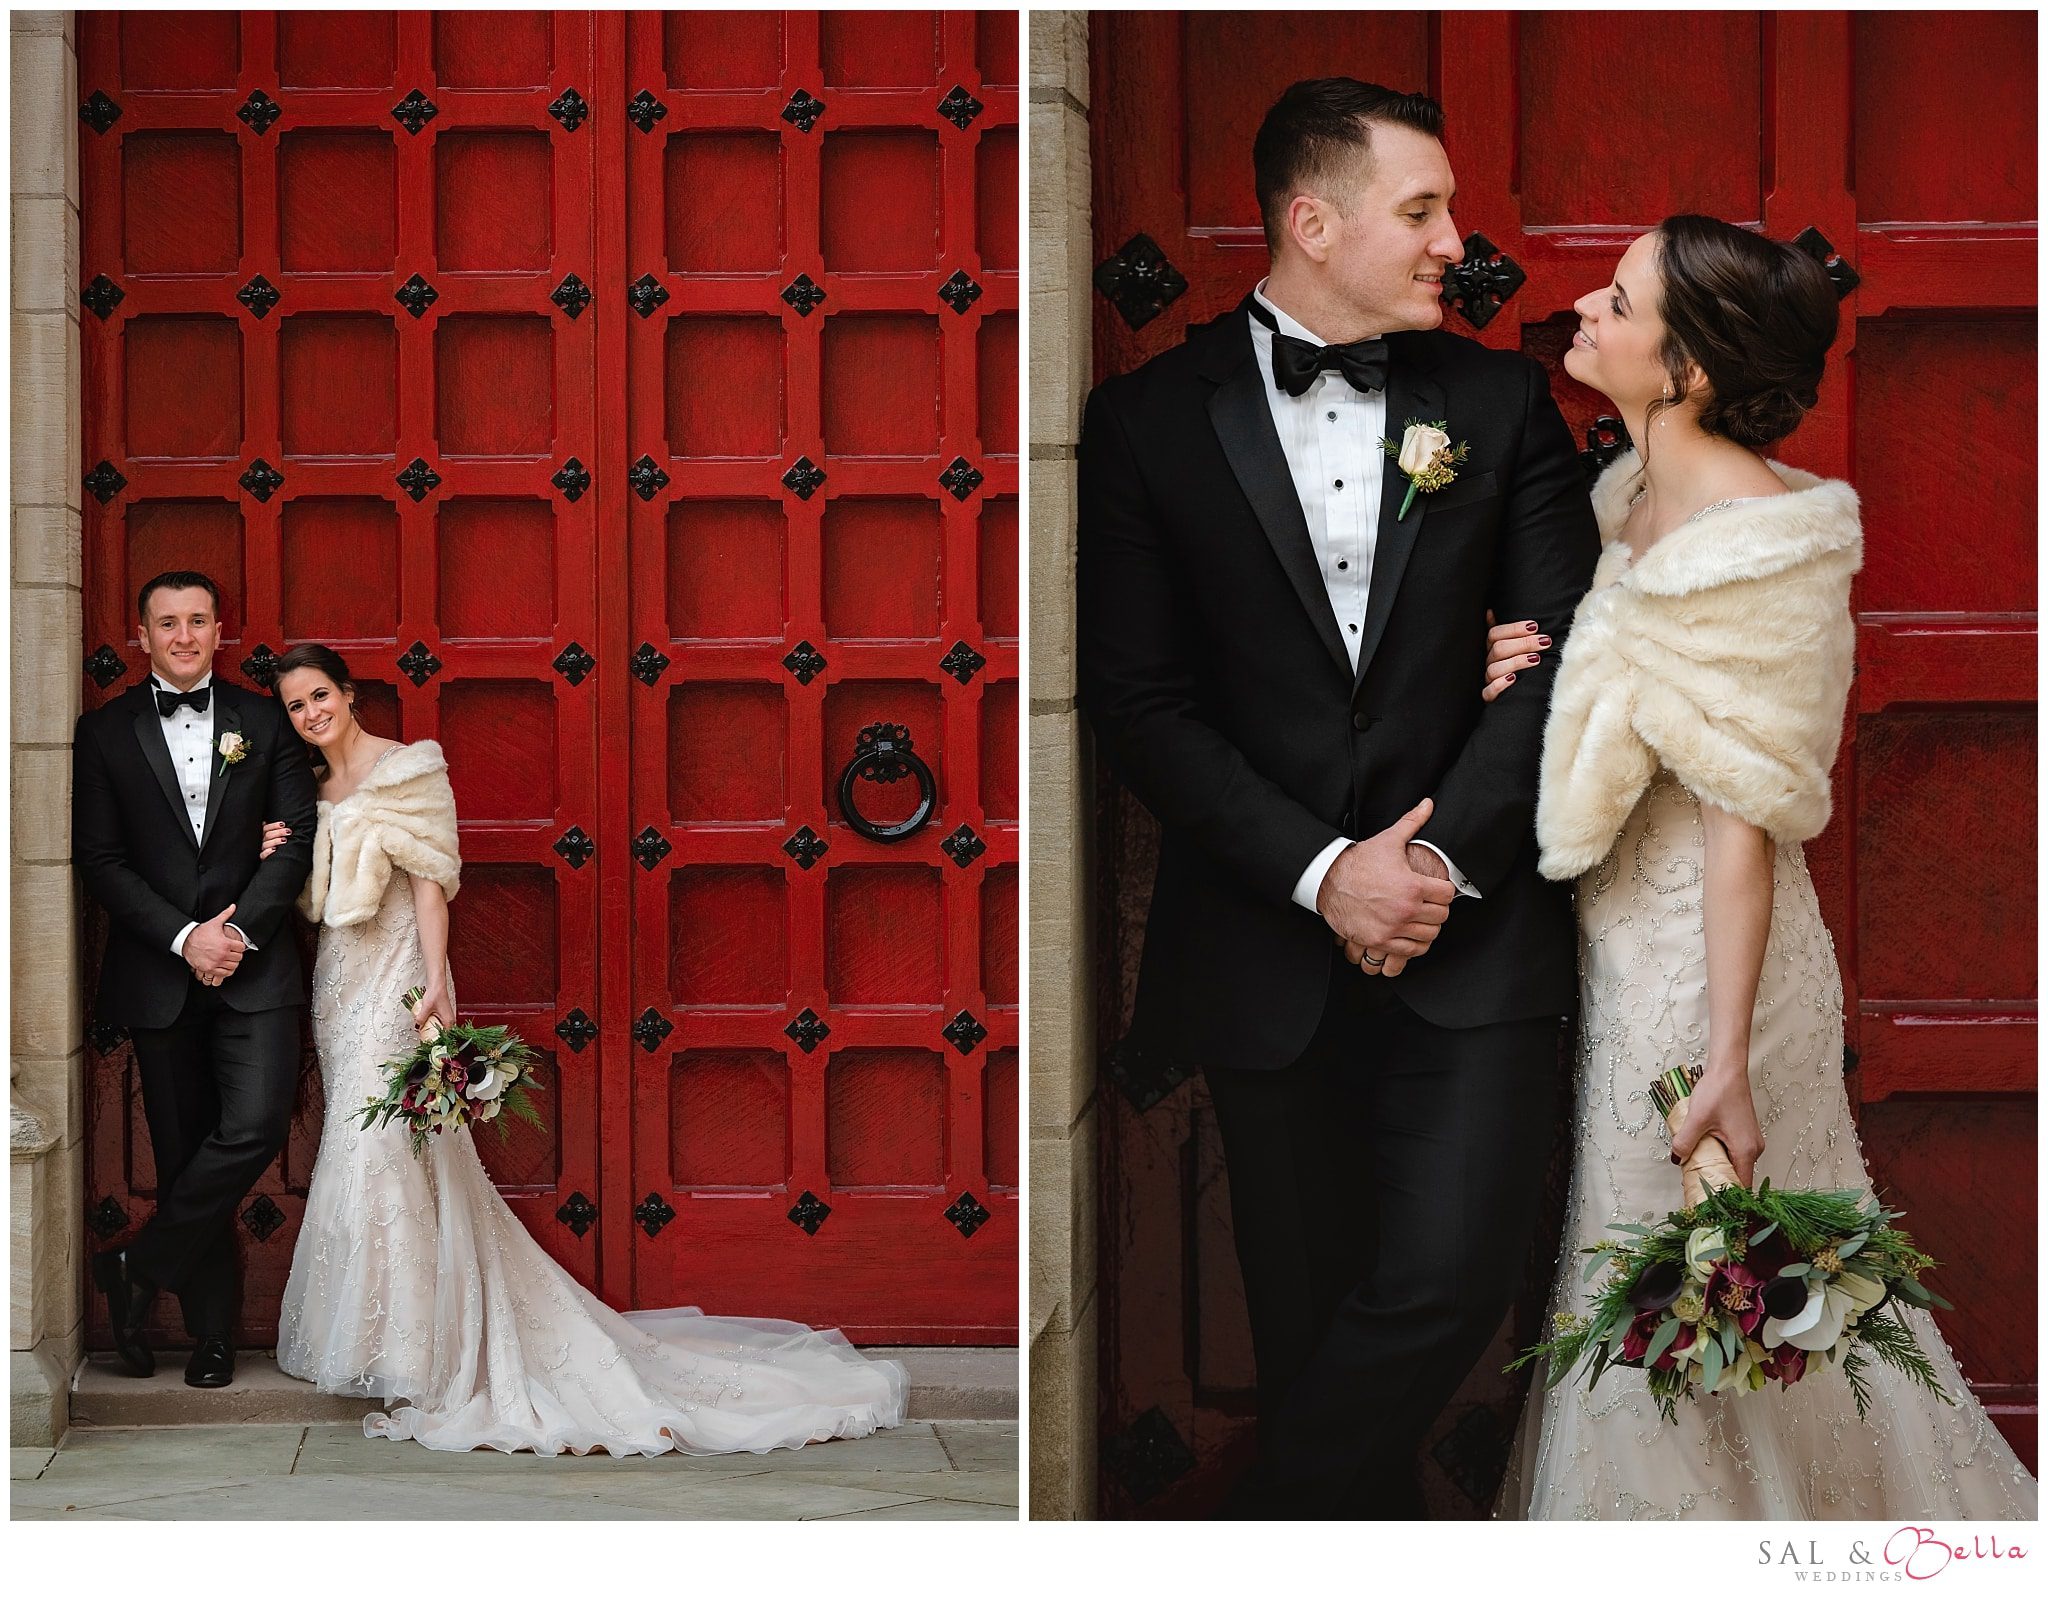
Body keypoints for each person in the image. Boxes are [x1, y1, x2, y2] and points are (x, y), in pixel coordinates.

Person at [1076, 78, 1601, 1517]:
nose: (1455, 242)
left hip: (1476, 937)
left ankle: (1243, 1531)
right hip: (1264, 942)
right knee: (1307, 1319)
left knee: (1456, 1276)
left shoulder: (1500, 402)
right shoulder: (1142, 424)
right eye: (1421, 210)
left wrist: (1430, 872)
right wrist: (1325, 873)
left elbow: (1566, 656)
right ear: (1314, 223)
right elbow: (1139, 703)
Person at [1490, 215, 2036, 1518]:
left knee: (1679, 1289)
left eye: (1616, 301)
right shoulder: (1627, 491)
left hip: (1708, 965)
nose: (1583, 305)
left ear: (1683, 371)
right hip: (1621, 936)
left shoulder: (1760, 540)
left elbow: (1745, 816)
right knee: (1658, 1288)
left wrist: (1725, 1055)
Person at [259, 643, 906, 1454]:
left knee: (384, 1147)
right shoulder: (312, 791)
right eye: (296, 705)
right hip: (337, 982)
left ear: (348, 694)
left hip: (396, 980)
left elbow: (431, 885)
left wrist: (437, 989)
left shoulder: (407, 768)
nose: (312, 713)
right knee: (359, 1151)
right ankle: (377, 1339)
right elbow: (311, 890)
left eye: (320, 695)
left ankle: (421, 1352)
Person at [74, 571, 318, 1389]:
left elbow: (294, 842)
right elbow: (101, 863)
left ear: (222, 631)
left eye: (198, 621)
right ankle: (212, 1339)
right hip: (161, 972)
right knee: (185, 1158)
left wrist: (237, 932)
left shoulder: (262, 719)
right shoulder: (102, 733)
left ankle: (138, 1266)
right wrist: (185, 938)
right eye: (167, 623)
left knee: (253, 1128)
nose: (183, 636)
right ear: (141, 635)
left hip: (258, 971)